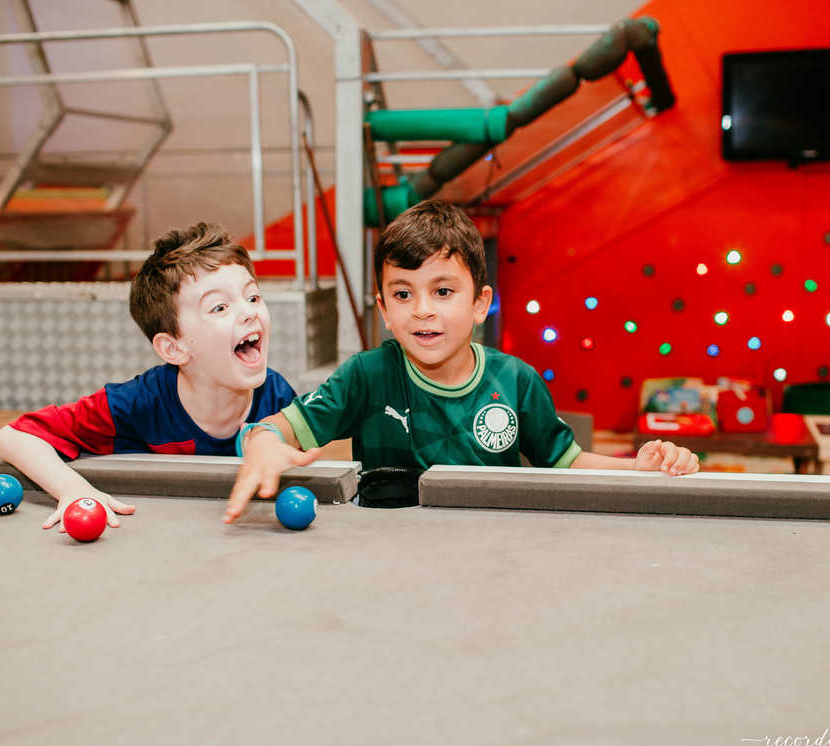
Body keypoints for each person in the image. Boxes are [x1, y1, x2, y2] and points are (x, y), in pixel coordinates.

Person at [221, 200, 698, 523]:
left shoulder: (517, 381)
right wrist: (262, 441)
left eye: (443, 291)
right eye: (403, 294)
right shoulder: (365, 375)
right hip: (386, 558)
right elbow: (275, 430)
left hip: (493, 556)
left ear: (480, 303)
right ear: (384, 311)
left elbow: (567, 463)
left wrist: (637, 469)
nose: (423, 309)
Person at [0, 222, 295, 532]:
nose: (249, 312)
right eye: (219, 307)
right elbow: (13, 437)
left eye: (253, 297)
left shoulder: (280, 399)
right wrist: (72, 490)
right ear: (173, 348)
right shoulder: (138, 403)